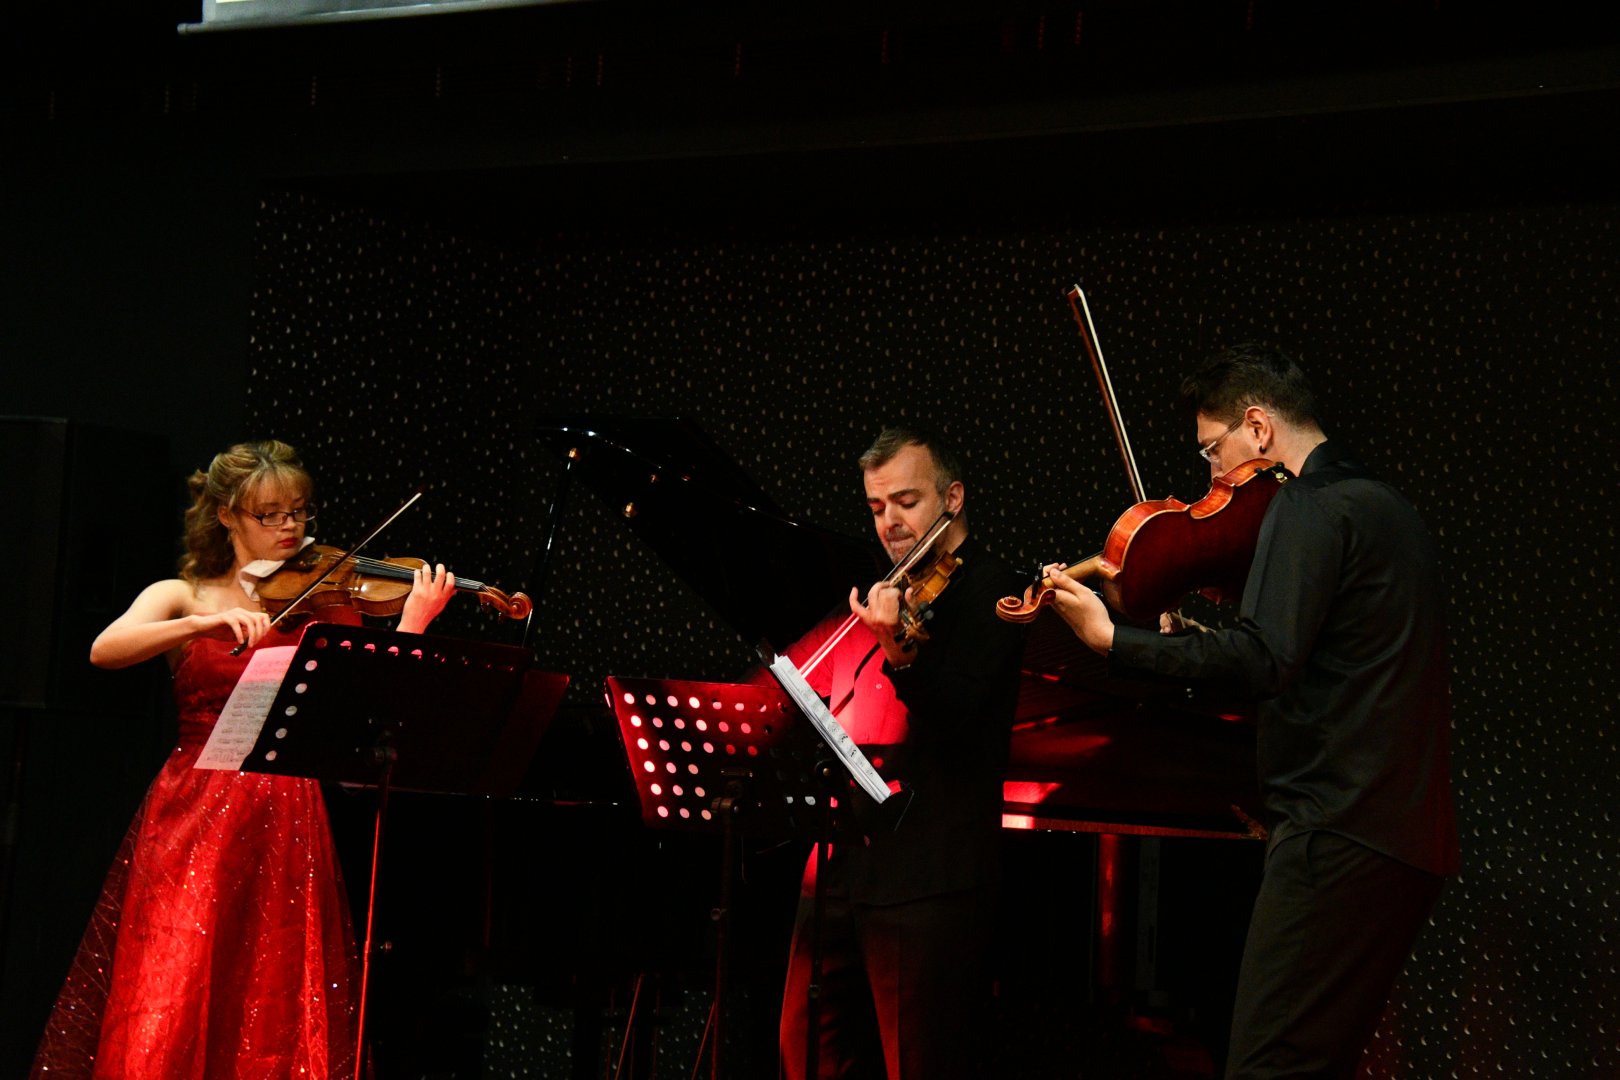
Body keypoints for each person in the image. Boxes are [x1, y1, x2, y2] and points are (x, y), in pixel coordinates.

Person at [1043, 344, 1459, 1079]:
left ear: (1259, 429)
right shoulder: (1386, 507)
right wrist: (1201, 640)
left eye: (1215, 451)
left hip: (1336, 831)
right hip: (1403, 840)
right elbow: (1330, 666)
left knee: (1267, 1068)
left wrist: (1115, 641)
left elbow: (1263, 657)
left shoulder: (1308, 502)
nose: (1213, 478)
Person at [31, 439, 455, 1079]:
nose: (290, 529)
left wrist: (412, 628)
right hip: (191, 814)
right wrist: (199, 626)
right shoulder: (183, 593)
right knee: (173, 984)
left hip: (287, 817)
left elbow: (361, 716)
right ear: (227, 515)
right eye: (270, 514)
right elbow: (104, 649)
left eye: (300, 513)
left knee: (271, 994)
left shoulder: (325, 600)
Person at [774, 427, 1027, 1080]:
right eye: (877, 507)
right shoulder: (883, 591)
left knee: (918, 1061)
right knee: (806, 1050)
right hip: (841, 867)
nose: (889, 523)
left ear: (953, 498)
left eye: (906, 502)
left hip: (929, 880)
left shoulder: (996, 593)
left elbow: (958, 721)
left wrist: (900, 652)